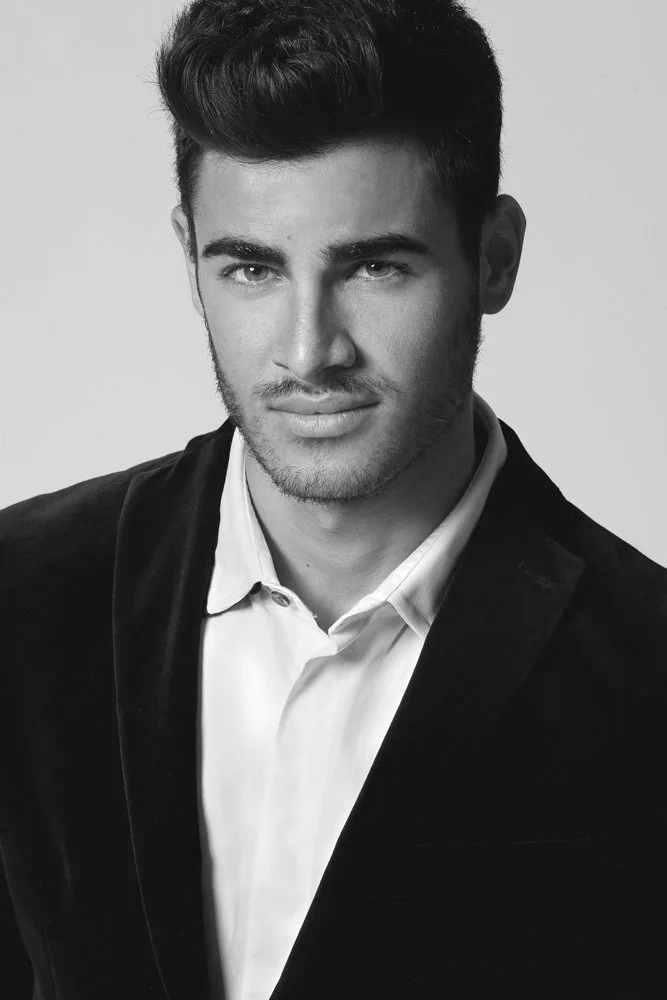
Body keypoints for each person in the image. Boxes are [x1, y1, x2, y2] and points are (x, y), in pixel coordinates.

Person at [1, 0, 665, 997]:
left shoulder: (646, 684)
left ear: (493, 256)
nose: (310, 350)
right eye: (252, 269)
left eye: (374, 267)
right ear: (191, 252)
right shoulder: (22, 597)